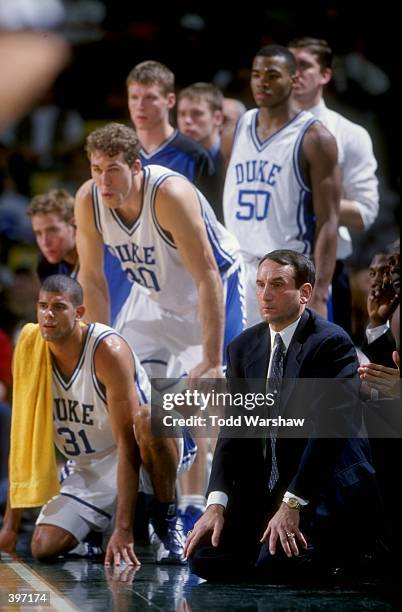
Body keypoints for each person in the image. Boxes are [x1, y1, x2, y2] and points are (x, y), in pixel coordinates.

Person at [75, 122, 245, 530]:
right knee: (128, 394)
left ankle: (214, 506)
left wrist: (209, 358)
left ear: (136, 166)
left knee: (221, 404)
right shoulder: (89, 199)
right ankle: (161, 502)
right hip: (152, 301)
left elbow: (208, 276)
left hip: (213, 294)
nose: (103, 180)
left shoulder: (169, 194)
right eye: (96, 169)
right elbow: (93, 281)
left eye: (113, 169)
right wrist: (94, 351)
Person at [186, 249, 376, 582]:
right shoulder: (243, 347)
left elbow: (329, 433)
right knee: (205, 557)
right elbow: (233, 431)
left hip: (320, 486)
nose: (265, 295)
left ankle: (353, 550)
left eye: (277, 284)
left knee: (275, 566)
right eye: (260, 285)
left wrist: (292, 504)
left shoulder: (331, 343)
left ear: (304, 293)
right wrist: (216, 503)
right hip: (271, 488)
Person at [0, 275, 196, 565]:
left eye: (58, 307)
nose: (48, 315)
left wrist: (123, 529)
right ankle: (91, 533)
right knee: (43, 547)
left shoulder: (107, 350)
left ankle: (166, 518)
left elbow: (127, 444)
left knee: (147, 416)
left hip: (147, 445)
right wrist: (10, 526)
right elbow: (22, 439)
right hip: (90, 464)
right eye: (42, 306)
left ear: (79, 313)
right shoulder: (31, 352)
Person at [222, 45, 340, 327]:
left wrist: (320, 291)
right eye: (256, 74)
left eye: (273, 75)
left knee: (293, 369)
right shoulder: (237, 128)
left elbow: (329, 221)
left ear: (293, 79)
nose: (262, 81)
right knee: (238, 368)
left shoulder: (315, 138)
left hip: (288, 274)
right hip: (240, 271)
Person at [288, 37, 379, 334]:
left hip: (324, 268)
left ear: (325, 75)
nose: (294, 73)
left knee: (324, 376)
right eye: (289, 65)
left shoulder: (350, 134)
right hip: (265, 268)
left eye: (304, 65)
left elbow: (365, 213)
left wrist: (308, 202)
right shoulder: (259, 128)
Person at [27, 188, 131, 325]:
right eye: (38, 234)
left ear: (74, 224)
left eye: (52, 230)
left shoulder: (109, 255)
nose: (45, 241)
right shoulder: (47, 269)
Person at [126, 61, 217, 205]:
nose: (140, 106)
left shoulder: (194, 156)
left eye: (150, 97)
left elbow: (210, 218)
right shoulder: (120, 153)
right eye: (134, 97)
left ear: (170, 100)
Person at [177, 82, 225, 221]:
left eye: (196, 113)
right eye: (182, 114)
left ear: (217, 118)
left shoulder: (231, 159)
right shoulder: (179, 160)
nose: (187, 120)